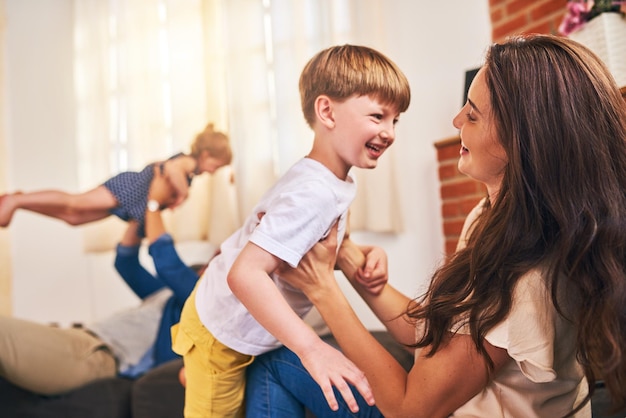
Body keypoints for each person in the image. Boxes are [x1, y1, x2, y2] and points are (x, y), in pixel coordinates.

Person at [244, 34, 626, 417]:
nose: (456, 120)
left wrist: (323, 288)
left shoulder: (530, 278)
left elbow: (411, 409)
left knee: (273, 365)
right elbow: (435, 339)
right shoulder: (489, 221)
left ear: (523, 141)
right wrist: (347, 261)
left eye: (472, 115)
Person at [171, 44, 411, 417]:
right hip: (222, 332)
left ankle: (195, 368)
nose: (389, 132)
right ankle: (199, 365)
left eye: (396, 120)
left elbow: (312, 241)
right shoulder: (313, 191)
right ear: (327, 111)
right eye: (378, 116)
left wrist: (359, 252)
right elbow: (245, 274)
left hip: (237, 325)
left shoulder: (331, 180)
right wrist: (313, 349)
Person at [0, 174, 209, 395]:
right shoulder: (168, 296)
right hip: (84, 339)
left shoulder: (199, 299)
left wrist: (154, 204)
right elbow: (126, 263)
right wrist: (141, 213)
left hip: (98, 357)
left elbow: (168, 264)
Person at [0, 122, 232, 237]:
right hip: (128, 189)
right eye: (216, 166)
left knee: (73, 218)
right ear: (205, 155)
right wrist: (183, 195)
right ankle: (14, 201)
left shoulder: (190, 172)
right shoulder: (186, 163)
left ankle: (23, 202)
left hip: (127, 205)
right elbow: (170, 169)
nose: (213, 171)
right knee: (75, 203)